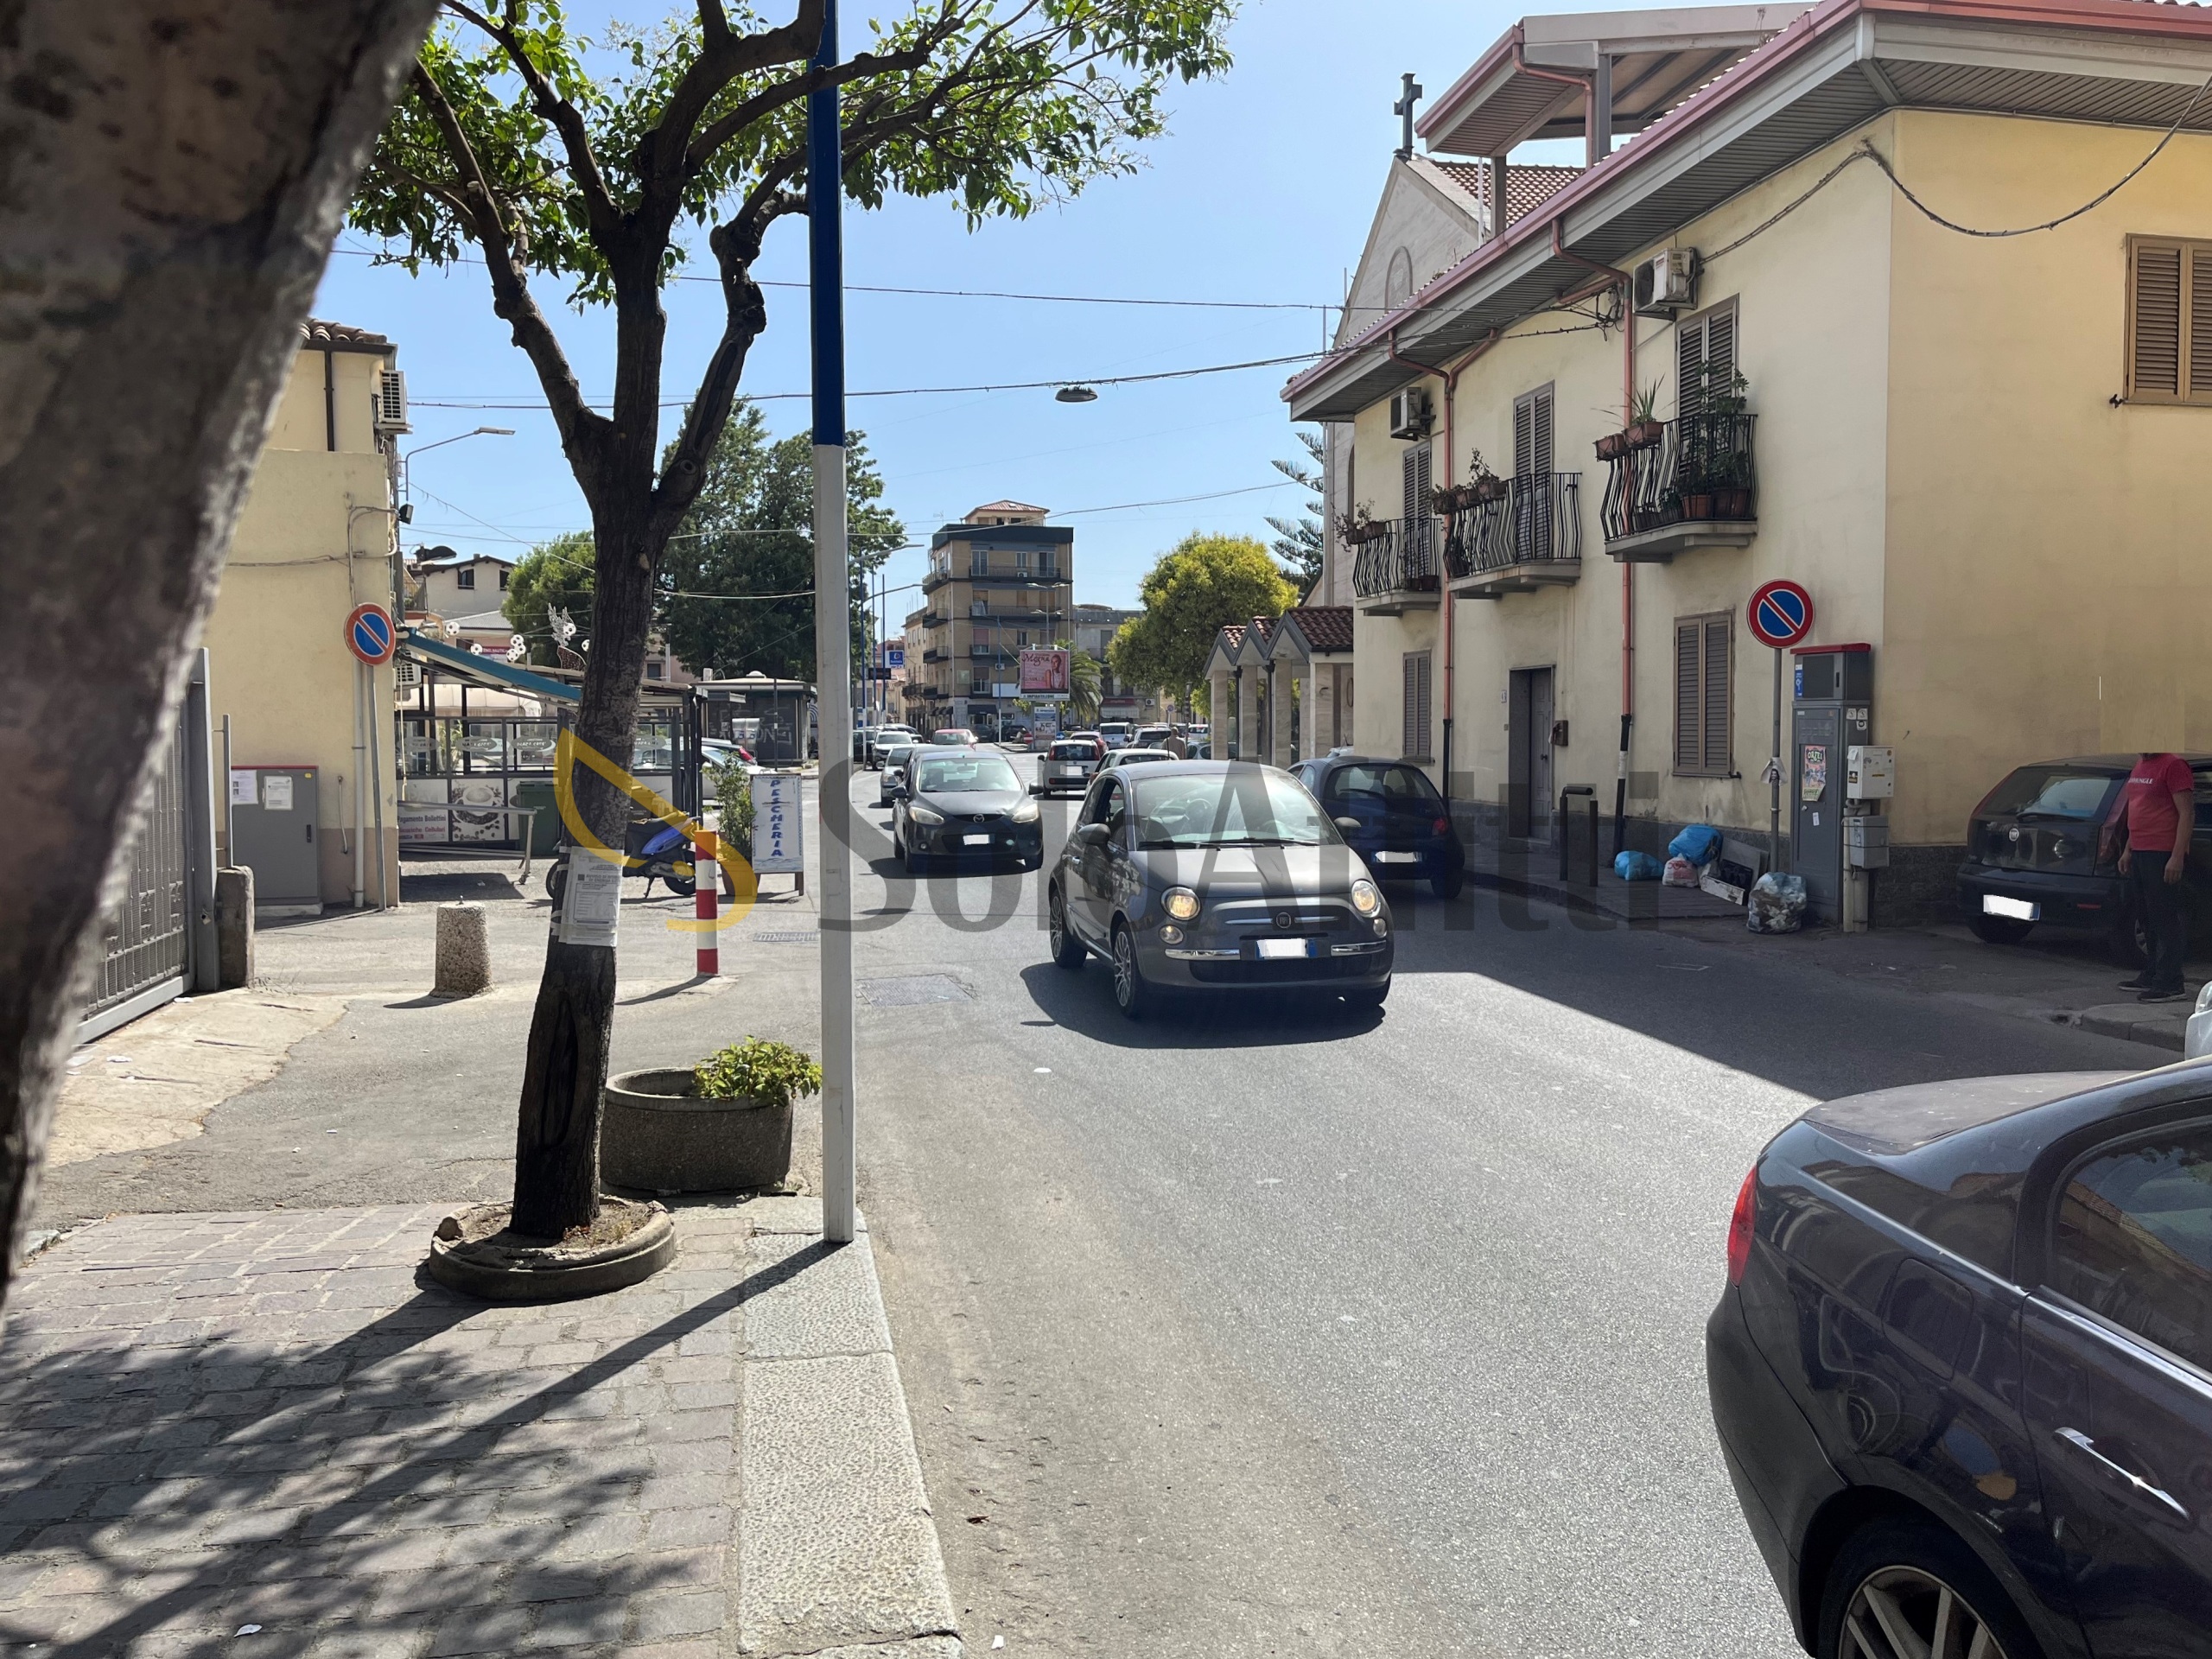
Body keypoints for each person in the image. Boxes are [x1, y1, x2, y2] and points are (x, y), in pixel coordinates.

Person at [2117, 749, 2197, 1001]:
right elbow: (2137, 809)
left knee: (2165, 917)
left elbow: (2187, 813)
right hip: (2140, 851)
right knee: (2146, 916)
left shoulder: (2174, 765)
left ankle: (2171, 982)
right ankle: (2152, 973)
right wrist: (2128, 849)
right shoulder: (2140, 765)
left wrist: (2177, 856)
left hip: (2162, 853)